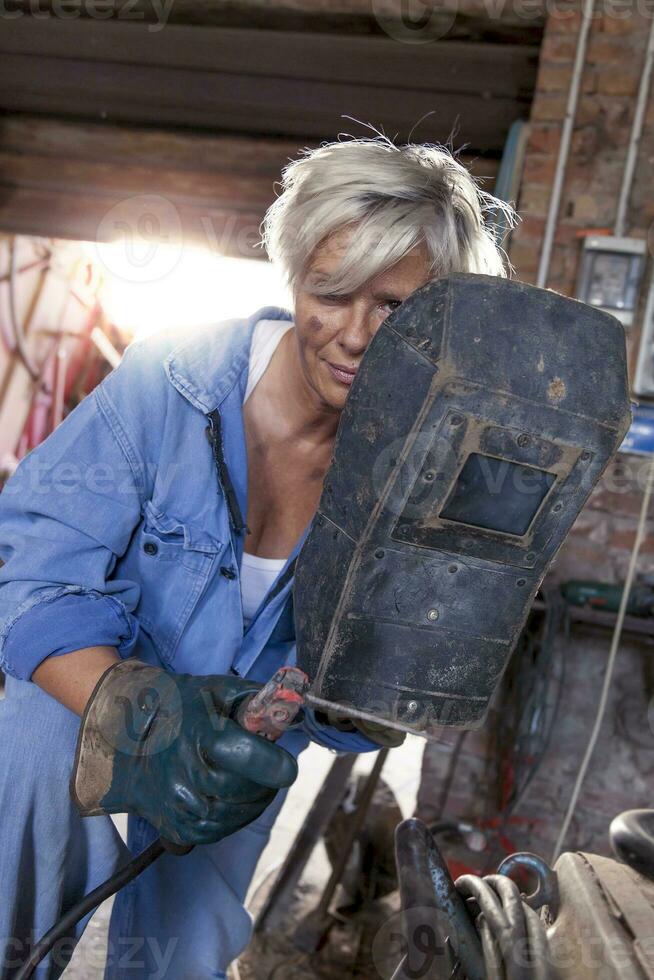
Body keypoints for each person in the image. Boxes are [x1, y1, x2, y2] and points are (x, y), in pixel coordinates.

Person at [0, 136, 512, 979]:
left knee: (189, 942)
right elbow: (32, 569)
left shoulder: (415, 472)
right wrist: (148, 719)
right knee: (30, 738)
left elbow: (354, 689)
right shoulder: (173, 379)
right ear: (294, 279)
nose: (353, 336)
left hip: (244, 728)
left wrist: (342, 706)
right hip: (103, 680)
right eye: (330, 293)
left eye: (394, 308)